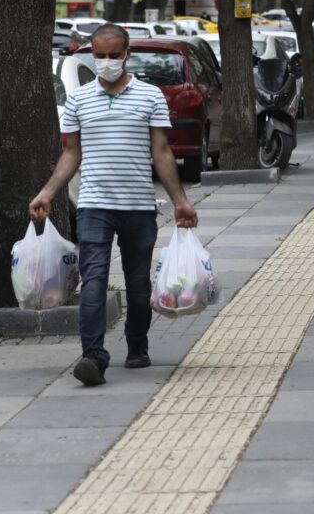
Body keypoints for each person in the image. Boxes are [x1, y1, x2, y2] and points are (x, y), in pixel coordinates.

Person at [28, 23, 198, 387]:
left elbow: (162, 151)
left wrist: (180, 201)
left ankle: (137, 343)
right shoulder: (79, 99)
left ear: (126, 55)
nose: (106, 62)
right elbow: (71, 154)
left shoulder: (150, 96)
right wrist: (47, 192)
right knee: (94, 282)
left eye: (113, 55)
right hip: (93, 205)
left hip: (138, 207)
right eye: (99, 56)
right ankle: (94, 356)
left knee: (138, 285)